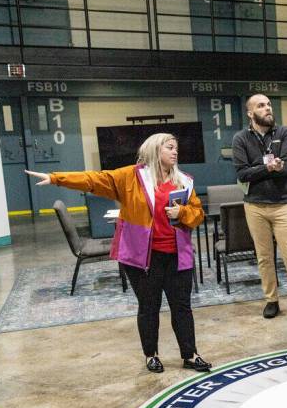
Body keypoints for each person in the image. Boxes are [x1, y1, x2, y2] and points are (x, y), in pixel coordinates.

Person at [25, 134, 211, 374]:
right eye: (170, 148)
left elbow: (197, 214)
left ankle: (190, 355)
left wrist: (182, 213)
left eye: (177, 148)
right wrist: (55, 178)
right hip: (143, 257)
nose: (176, 152)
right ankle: (151, 355)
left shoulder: (184, 181)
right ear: (155, 150)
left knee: (182, 307)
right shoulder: (131, 176)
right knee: (149, 306)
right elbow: (94, 179)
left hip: (177, 255)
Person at [232, 94, 287, 319]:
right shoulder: (240, 139)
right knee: (264, 257)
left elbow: (286, 168)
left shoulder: (284, 133)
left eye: (268, 104)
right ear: (251, 113)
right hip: (254, 207)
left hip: (281, 204)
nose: (267, 108)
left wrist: (259, 168)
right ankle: (271, 300)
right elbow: (242, 173)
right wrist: (267, 168)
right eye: (261, 106)